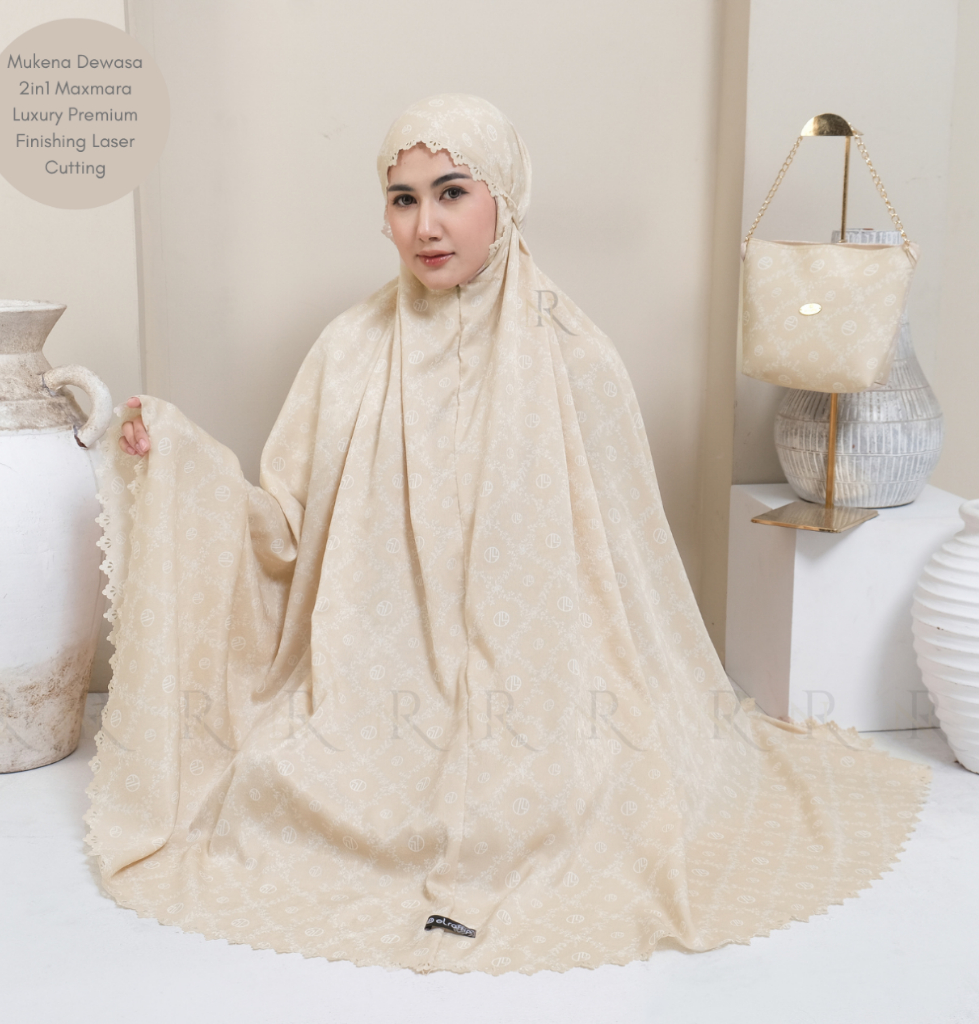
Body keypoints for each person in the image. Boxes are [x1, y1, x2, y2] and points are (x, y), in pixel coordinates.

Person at [88, 94, 929, 975]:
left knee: (578, 798)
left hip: (549, 695)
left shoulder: (576, 356)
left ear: (505, 198)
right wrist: (179, 459)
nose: (426, 225)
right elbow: (286, 537)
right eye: (404, 199)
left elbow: (631, 569)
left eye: (452, 192)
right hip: (373, 697)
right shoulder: (346, 352)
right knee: (294, 787)